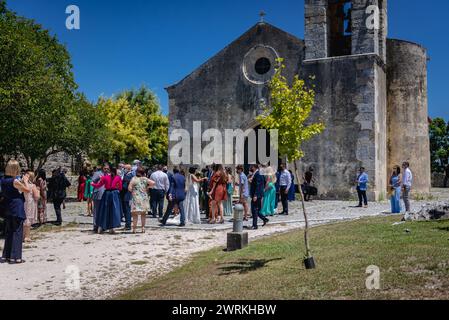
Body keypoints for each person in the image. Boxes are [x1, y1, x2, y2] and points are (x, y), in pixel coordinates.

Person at [1, 160, 29, 264]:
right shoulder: (15, 181)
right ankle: (15, 257)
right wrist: (25, 180)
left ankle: (6, 256)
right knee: (17, 232)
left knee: (9, 232)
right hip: (17, 207)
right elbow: (27, 190)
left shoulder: (3, 180)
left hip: (8, 207)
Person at [92, 167, 123, 234]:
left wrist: (92, 184)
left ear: (109, 171)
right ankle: (112, 229)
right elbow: (120, 188)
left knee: (104, 210)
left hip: (106, 194)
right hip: (114, 195)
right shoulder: (118, 178)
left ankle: (100, 227)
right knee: (114, 211)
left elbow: (98, 185)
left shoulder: (104, 177)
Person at [128, 167, 155, 234]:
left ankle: (134, 229)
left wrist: (134, 190)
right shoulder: (145, 179)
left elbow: (129, 188)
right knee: (143, 214)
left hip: (136, 198)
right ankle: (143, 228)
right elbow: (153, 183)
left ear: (137, 172)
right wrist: (147, 187)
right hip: (144, 198)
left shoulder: (134, 178)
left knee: (135, 214)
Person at [250, 164, 269, 229]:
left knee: (254, 209)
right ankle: (264, 219)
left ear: (254, 167)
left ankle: (255, 225)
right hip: (257, 194)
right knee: (256, 210)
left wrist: (256, 195)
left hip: (257, 195)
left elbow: (259, 185)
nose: (250, 167)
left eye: (251, 166)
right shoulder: (257, 173)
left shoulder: (258, 174)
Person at [23, 170, 40, 242]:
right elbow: (36, 196)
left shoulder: (21, 184)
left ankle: (23, 235)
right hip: (30, 203)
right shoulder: (32, 186)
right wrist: (38, 191)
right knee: (28, 218)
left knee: (24, 219)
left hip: (23, 202)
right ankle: (27, 236)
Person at [91, 165, 107, 233]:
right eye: (105, 168)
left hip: (105, 194)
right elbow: (92, 182)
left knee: (104, 211)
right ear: (102, 168)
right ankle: (95, 225)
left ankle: (102, 226)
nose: (106, 169)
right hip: (98, 194)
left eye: (107, 168)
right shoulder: (97, 173)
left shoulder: (108, 175)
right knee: (96, 211)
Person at [121, 164, 133, 231]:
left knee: (127, 211)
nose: (123, 169)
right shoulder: (126, 175)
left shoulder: (128, 176)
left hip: (126, 195)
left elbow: (125, 187)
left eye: (124, 168)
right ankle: (127, 224)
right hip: (126, 195)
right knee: (126, 211)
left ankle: (128, 225)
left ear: (128, 169)